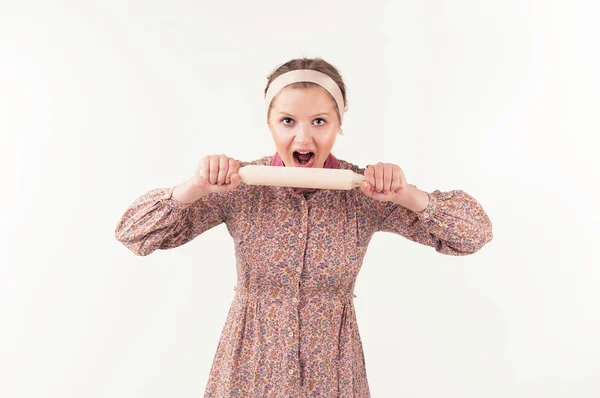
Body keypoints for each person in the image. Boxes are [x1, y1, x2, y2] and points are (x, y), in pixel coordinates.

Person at [115, 57, 493, 397]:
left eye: (319, 121)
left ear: (338, 124)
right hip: (249, 370)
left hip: (334, 374)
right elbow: (133, 232)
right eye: (287, 121)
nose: (303, 137)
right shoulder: (240, 186)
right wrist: (194, 186)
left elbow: (473, 234)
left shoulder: (364, 194)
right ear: (269, 124)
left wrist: (406, 194)